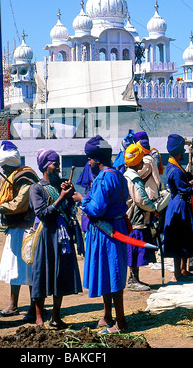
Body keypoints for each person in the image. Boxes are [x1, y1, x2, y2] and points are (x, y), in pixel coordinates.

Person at [72, 135, 129, 334]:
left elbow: (96, 209)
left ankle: (120, 322)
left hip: (108, 233)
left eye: (90, 159)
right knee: (107, 273)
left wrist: (81, 199)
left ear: (97, 160)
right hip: (115, 228)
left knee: (112, 273)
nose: (89, 163)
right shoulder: (118, 175)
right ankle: (107, 316)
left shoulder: (105, 177)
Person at [29, 148, 82, 328]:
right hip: (45, 235)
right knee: (42, 274)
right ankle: (38, 318)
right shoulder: (36, 188)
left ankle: (56, 316)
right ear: (45, 166)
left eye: (58, 164)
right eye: (55, 164)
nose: (58, 168)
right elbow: (43, 214)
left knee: (59, 275)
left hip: (61, 236)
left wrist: (69, 195)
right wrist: (61, 198)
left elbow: (68, 210)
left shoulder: (60, 185)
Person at [0, 141, 39, 321]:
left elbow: (19, 204)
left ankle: (34, 307)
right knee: (14, 270)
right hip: (13, 229)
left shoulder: (27, 178)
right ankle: (13, 305)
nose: (2, 171)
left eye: (4, 168)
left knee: (29, 269)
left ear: (10, 165)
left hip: (27, 229)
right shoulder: (5, 177)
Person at [163, 134, 193, 282]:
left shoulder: (173, 166)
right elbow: (184, 189)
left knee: (183, 236)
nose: (184, 152)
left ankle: (183, 270)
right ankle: (178, 272)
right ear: (178, 151)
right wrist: (190, 185)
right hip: (179, 207)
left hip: (178, 205)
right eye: (182, 150)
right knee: (179, 237)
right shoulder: (176, 171)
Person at [123, 144, 158, 291]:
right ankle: (134, 279)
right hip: (137, 216)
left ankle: (133, 278)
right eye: (141, 160)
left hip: (128, 214)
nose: (143, 163)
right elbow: (141, 199)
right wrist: (153, 208)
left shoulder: (125, 174)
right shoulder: (135, 178)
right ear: (137, 161)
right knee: (135, 246)